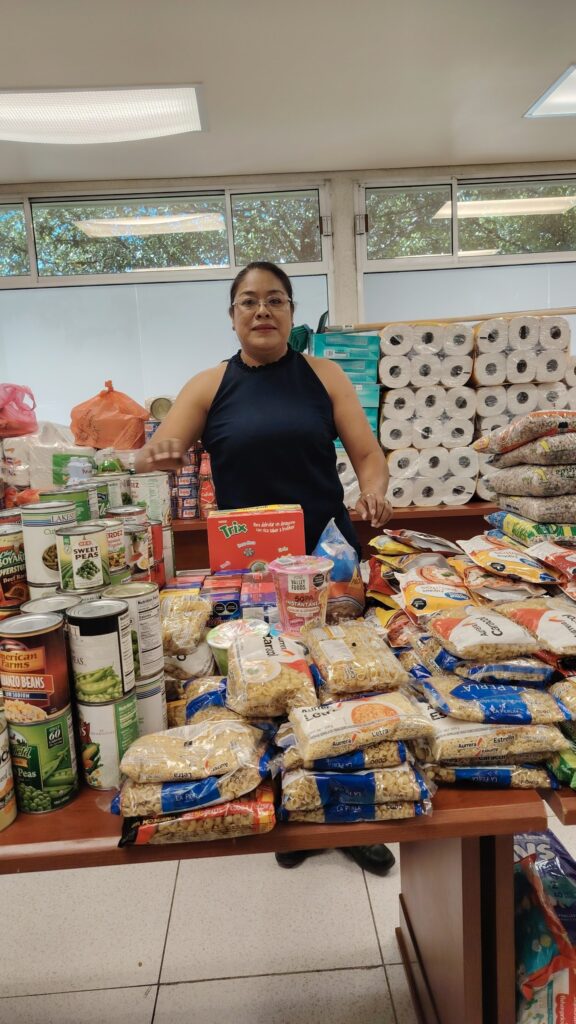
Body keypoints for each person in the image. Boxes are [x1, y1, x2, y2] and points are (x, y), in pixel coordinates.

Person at [135, 261, 395, 876]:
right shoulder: (209, 385)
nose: (262, 311)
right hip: (249, 568)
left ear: (291, 312)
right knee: (268, 686)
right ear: (232, 316)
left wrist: (375, 490)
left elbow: (368, 453)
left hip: (326, 558)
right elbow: (152, 456)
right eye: (248, 301)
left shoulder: (325, 376)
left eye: (275, 300)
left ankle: (347, 806)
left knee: (338, 680)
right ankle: (290, 805)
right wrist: (161, 454)